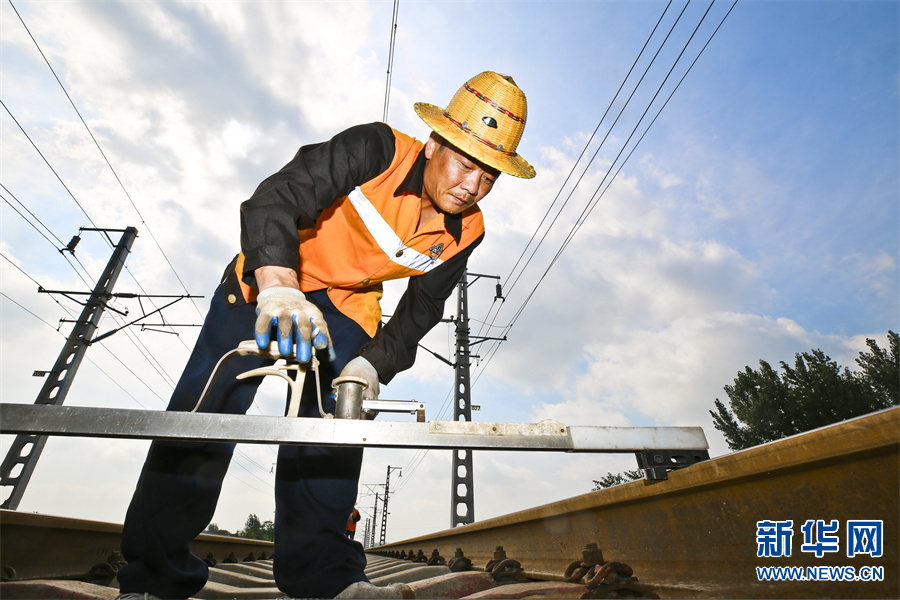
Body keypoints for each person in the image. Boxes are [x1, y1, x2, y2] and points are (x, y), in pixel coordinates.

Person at [115, 71, 535, 600]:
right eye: (466, 163)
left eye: (490, 176)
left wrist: (373, 365)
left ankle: (323, 579)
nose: (473, 186)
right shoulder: (375, 149)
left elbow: (423, 307)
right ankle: (153, 577)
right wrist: (278, 284)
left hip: (344, 307)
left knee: (333, 430)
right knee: (204, 413)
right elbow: (275, 197)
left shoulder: (467, 230)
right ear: (433, 144)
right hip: (271, 280)